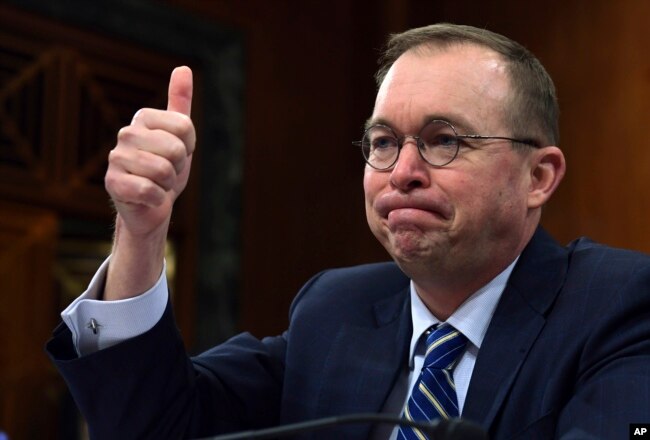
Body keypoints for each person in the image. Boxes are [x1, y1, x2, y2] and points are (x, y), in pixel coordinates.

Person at [47, 23, 650, 439]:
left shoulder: (617, 306)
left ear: (538, 176)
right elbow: (153, 429)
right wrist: (141, 230)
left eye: (445, 141)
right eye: (384, 142)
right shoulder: (336, 311)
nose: (404, 172)